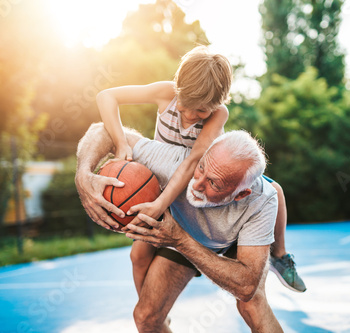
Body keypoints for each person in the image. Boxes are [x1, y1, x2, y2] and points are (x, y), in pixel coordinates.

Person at [94, 45, 305, 293]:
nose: (192, 115)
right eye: (185, 105)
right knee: (138, 256)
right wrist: (120, 143)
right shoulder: (165, 92)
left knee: (275, 191)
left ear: (218, 103)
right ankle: (150, 320)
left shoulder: (218, 114)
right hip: (167, 181)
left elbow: (193, 161)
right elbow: (106, 96)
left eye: (201, 110)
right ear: (178, 87)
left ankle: (279, 256)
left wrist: (159, 205)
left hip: (200, 183)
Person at [75, 123, 284, 332]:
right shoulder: (175, 161)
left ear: (240, 194)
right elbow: (102, 129)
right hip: (182, 232)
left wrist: (180, 240)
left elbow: (246, 286)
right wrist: (83, 174)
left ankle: (282, 258)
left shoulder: (261, 200)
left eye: (214, 183)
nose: (197, 183)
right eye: (201, 167)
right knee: (146, 317)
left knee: (253, 306)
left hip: (227, 241)